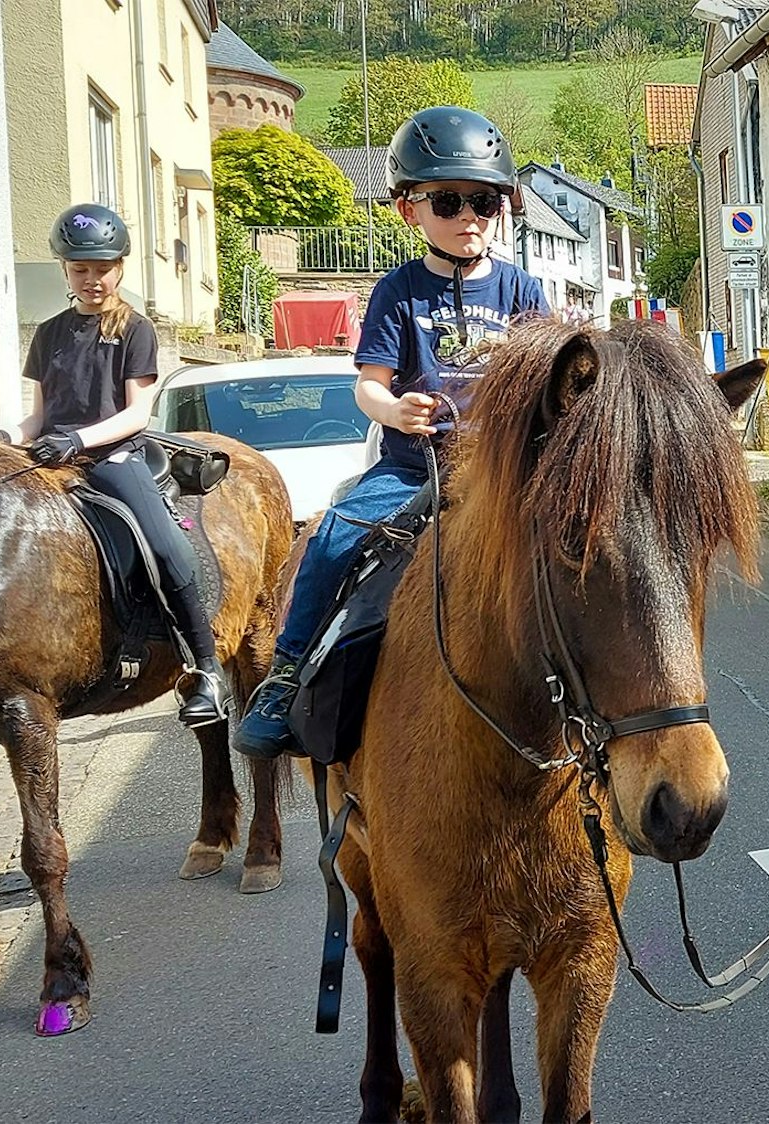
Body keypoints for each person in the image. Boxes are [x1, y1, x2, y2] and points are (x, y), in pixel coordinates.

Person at [233, 105, 548, 759]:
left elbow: (546, 385)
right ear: (410, 210)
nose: (470, 217)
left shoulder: (522, 290)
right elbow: (368, 385)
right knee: (331, 540)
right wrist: (395, 410)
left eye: (485, 202)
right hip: (413, 468)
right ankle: (286, 675)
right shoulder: (398, 292)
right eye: (450, 201)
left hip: (501, 472)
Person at [0, 202, 226, 727]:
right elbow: (39, 417)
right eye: (80, 269)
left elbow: (137, 413)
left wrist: (76, 439)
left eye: (102, 268)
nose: (92, 279)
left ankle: (205, 669)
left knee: (167, 546)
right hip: (52, 456)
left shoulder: (135, 329)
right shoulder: (49, 333)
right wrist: (6, 437)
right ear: (65, 271)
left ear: (120, 267)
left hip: (113, 455)